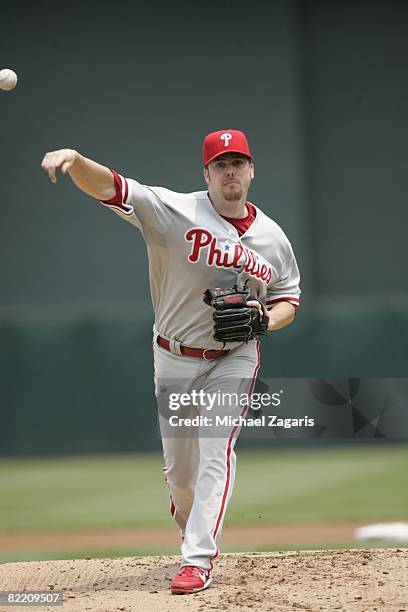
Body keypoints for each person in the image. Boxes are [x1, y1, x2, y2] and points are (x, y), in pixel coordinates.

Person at [41, 129, 301, 594]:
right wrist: (76, 159)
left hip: (234, 359)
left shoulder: (274, 238)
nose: (230, 172)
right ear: (207, 174)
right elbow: (112, 186)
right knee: (182, 478)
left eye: (238, 163)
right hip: (175, 357)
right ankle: (191, 526)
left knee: (215, 453)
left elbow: (288, 301)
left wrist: (265, 319)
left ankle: (197, 560)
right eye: (220, 165)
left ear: (251, 170)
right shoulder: (173, 210)